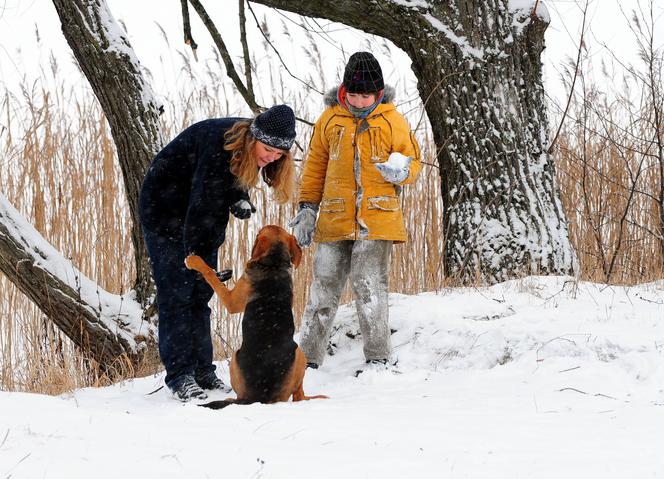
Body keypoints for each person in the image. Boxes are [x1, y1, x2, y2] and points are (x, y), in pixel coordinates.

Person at [139, 105, 296, 400]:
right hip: (164, 211)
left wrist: (239, 197)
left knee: (201, 295)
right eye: (268, 149)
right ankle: (180, 375)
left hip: (196, 215)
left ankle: (203, 371)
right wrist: (196, 258)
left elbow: (227, 183)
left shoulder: (247, 150)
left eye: (279, 154)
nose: (272, 157)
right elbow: (203, 204)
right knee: (177, 295)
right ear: (254, 138)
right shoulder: (218, 145)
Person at [290, 51, 421, 373]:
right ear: (344, 91)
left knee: (369, 287)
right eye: (355, 95)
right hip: (333, 219)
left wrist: (401, 172)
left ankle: (378, 357)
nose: (361, 102)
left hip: (377, 219)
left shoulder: (393, 120)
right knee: (322, 290)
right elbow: (315, 167)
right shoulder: (329, 120)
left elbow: (412, 161)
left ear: (378, 94)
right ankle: (306, 361)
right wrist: (307, 208)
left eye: (367, 96)